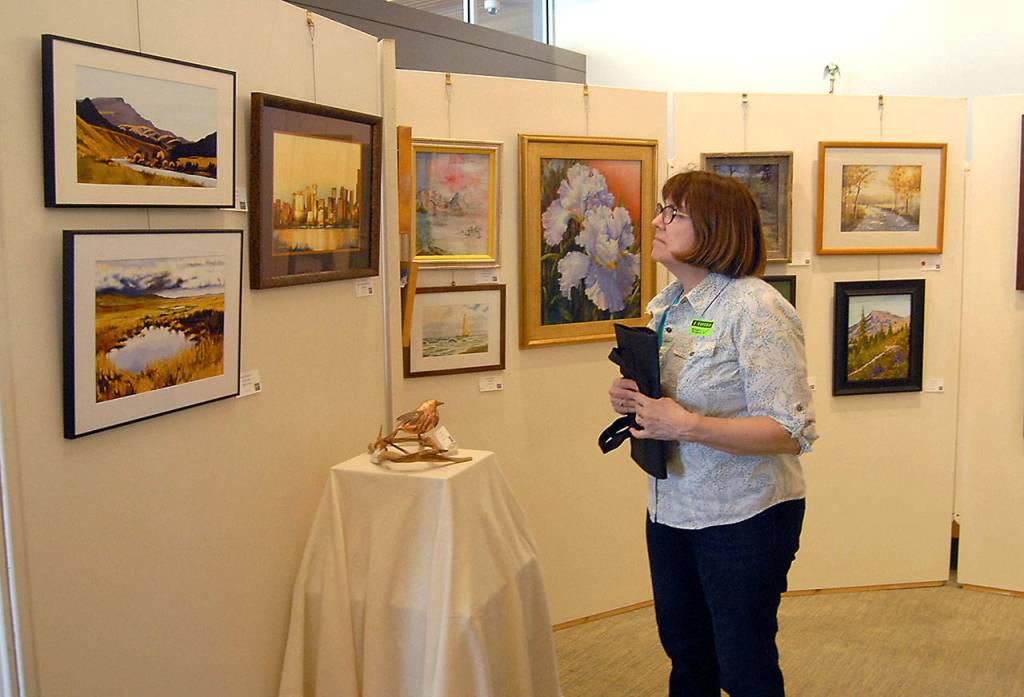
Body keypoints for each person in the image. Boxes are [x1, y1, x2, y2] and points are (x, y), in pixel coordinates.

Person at [607, 170, 818, 697]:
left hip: (745, 516)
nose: (656, 221)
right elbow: (672, 397)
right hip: (671, 505)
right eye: (661, 208)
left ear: (716, 228)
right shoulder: (666, 307)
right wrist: (632, 398)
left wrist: (685, 424)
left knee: (743, 663)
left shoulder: (758, 310)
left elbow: (791, 431)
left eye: (673, 213)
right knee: (686, 653)